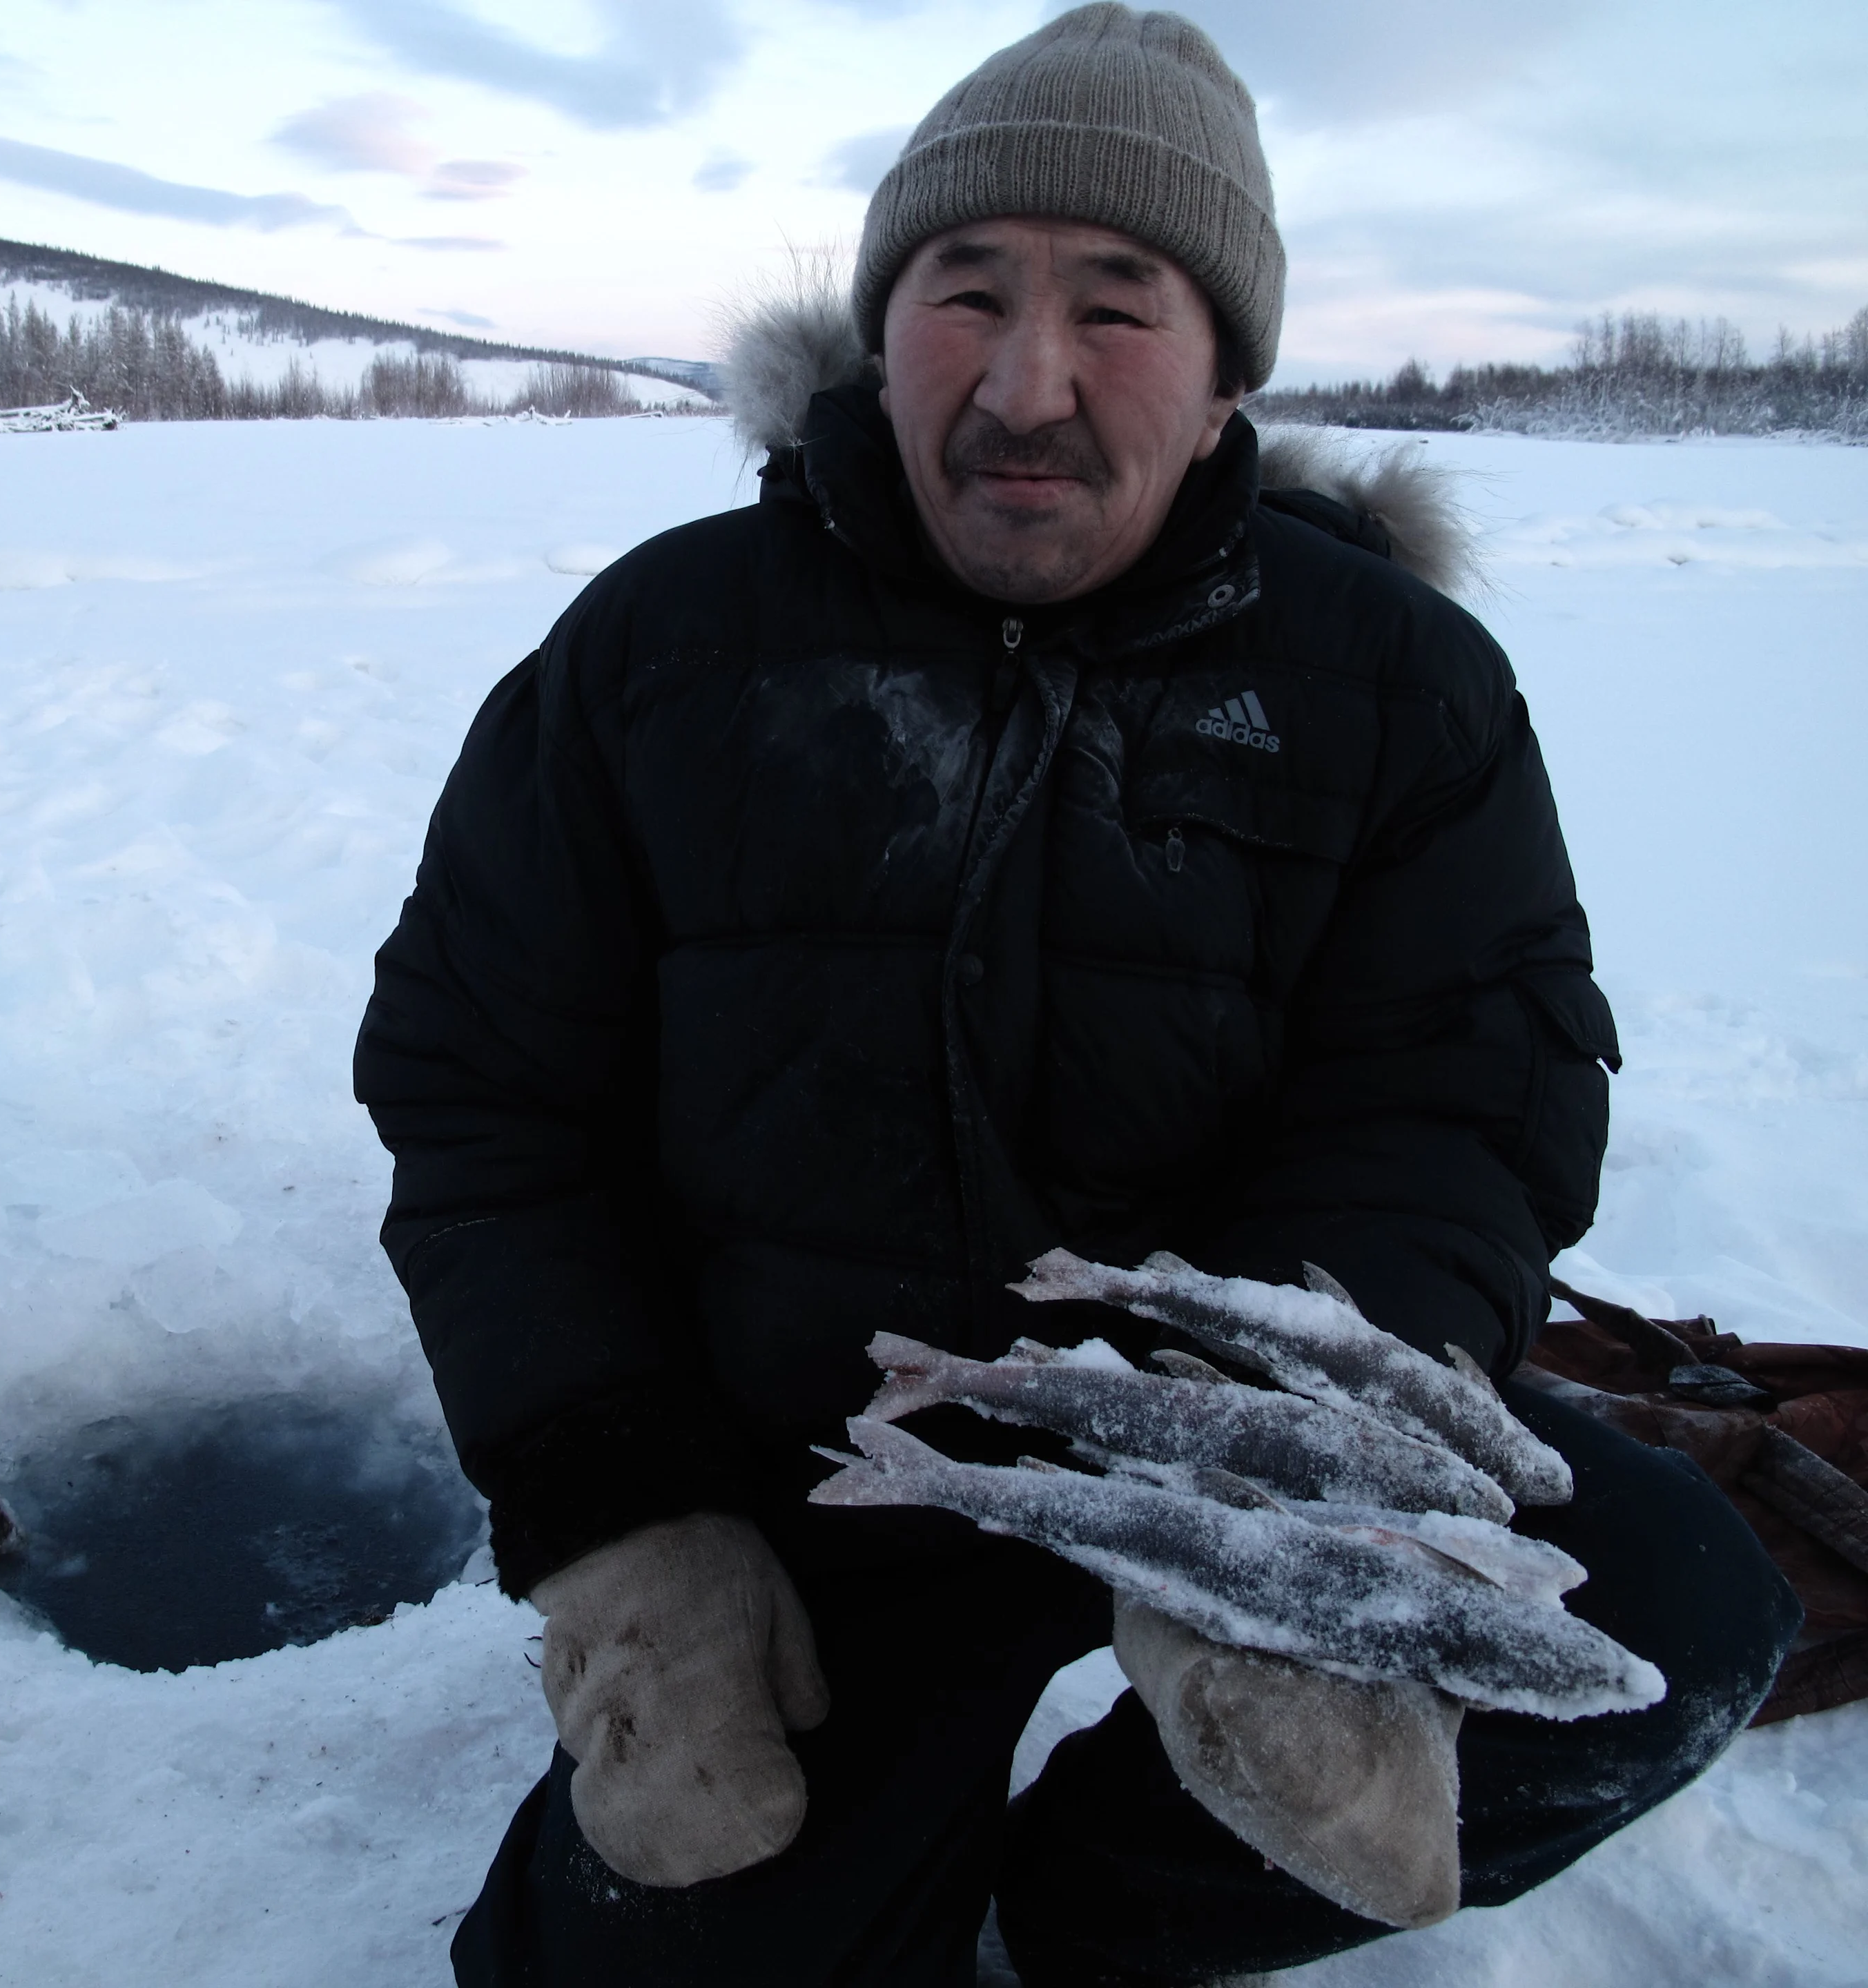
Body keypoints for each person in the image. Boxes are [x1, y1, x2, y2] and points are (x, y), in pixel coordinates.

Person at [353, 8, 1799, 1983]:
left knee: (1660, 1638)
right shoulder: (665, 654)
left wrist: (1271, 1478)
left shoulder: (1399, 690)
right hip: (816, 1467)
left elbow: (1450, 1108)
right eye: (971, 292)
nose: (1027, 381)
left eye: (1119, 305)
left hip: (1222, 1441)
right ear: (886, 334)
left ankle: (1097, 1915)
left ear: (1221, 385)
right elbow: (484, 1090)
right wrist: (623, 1508)